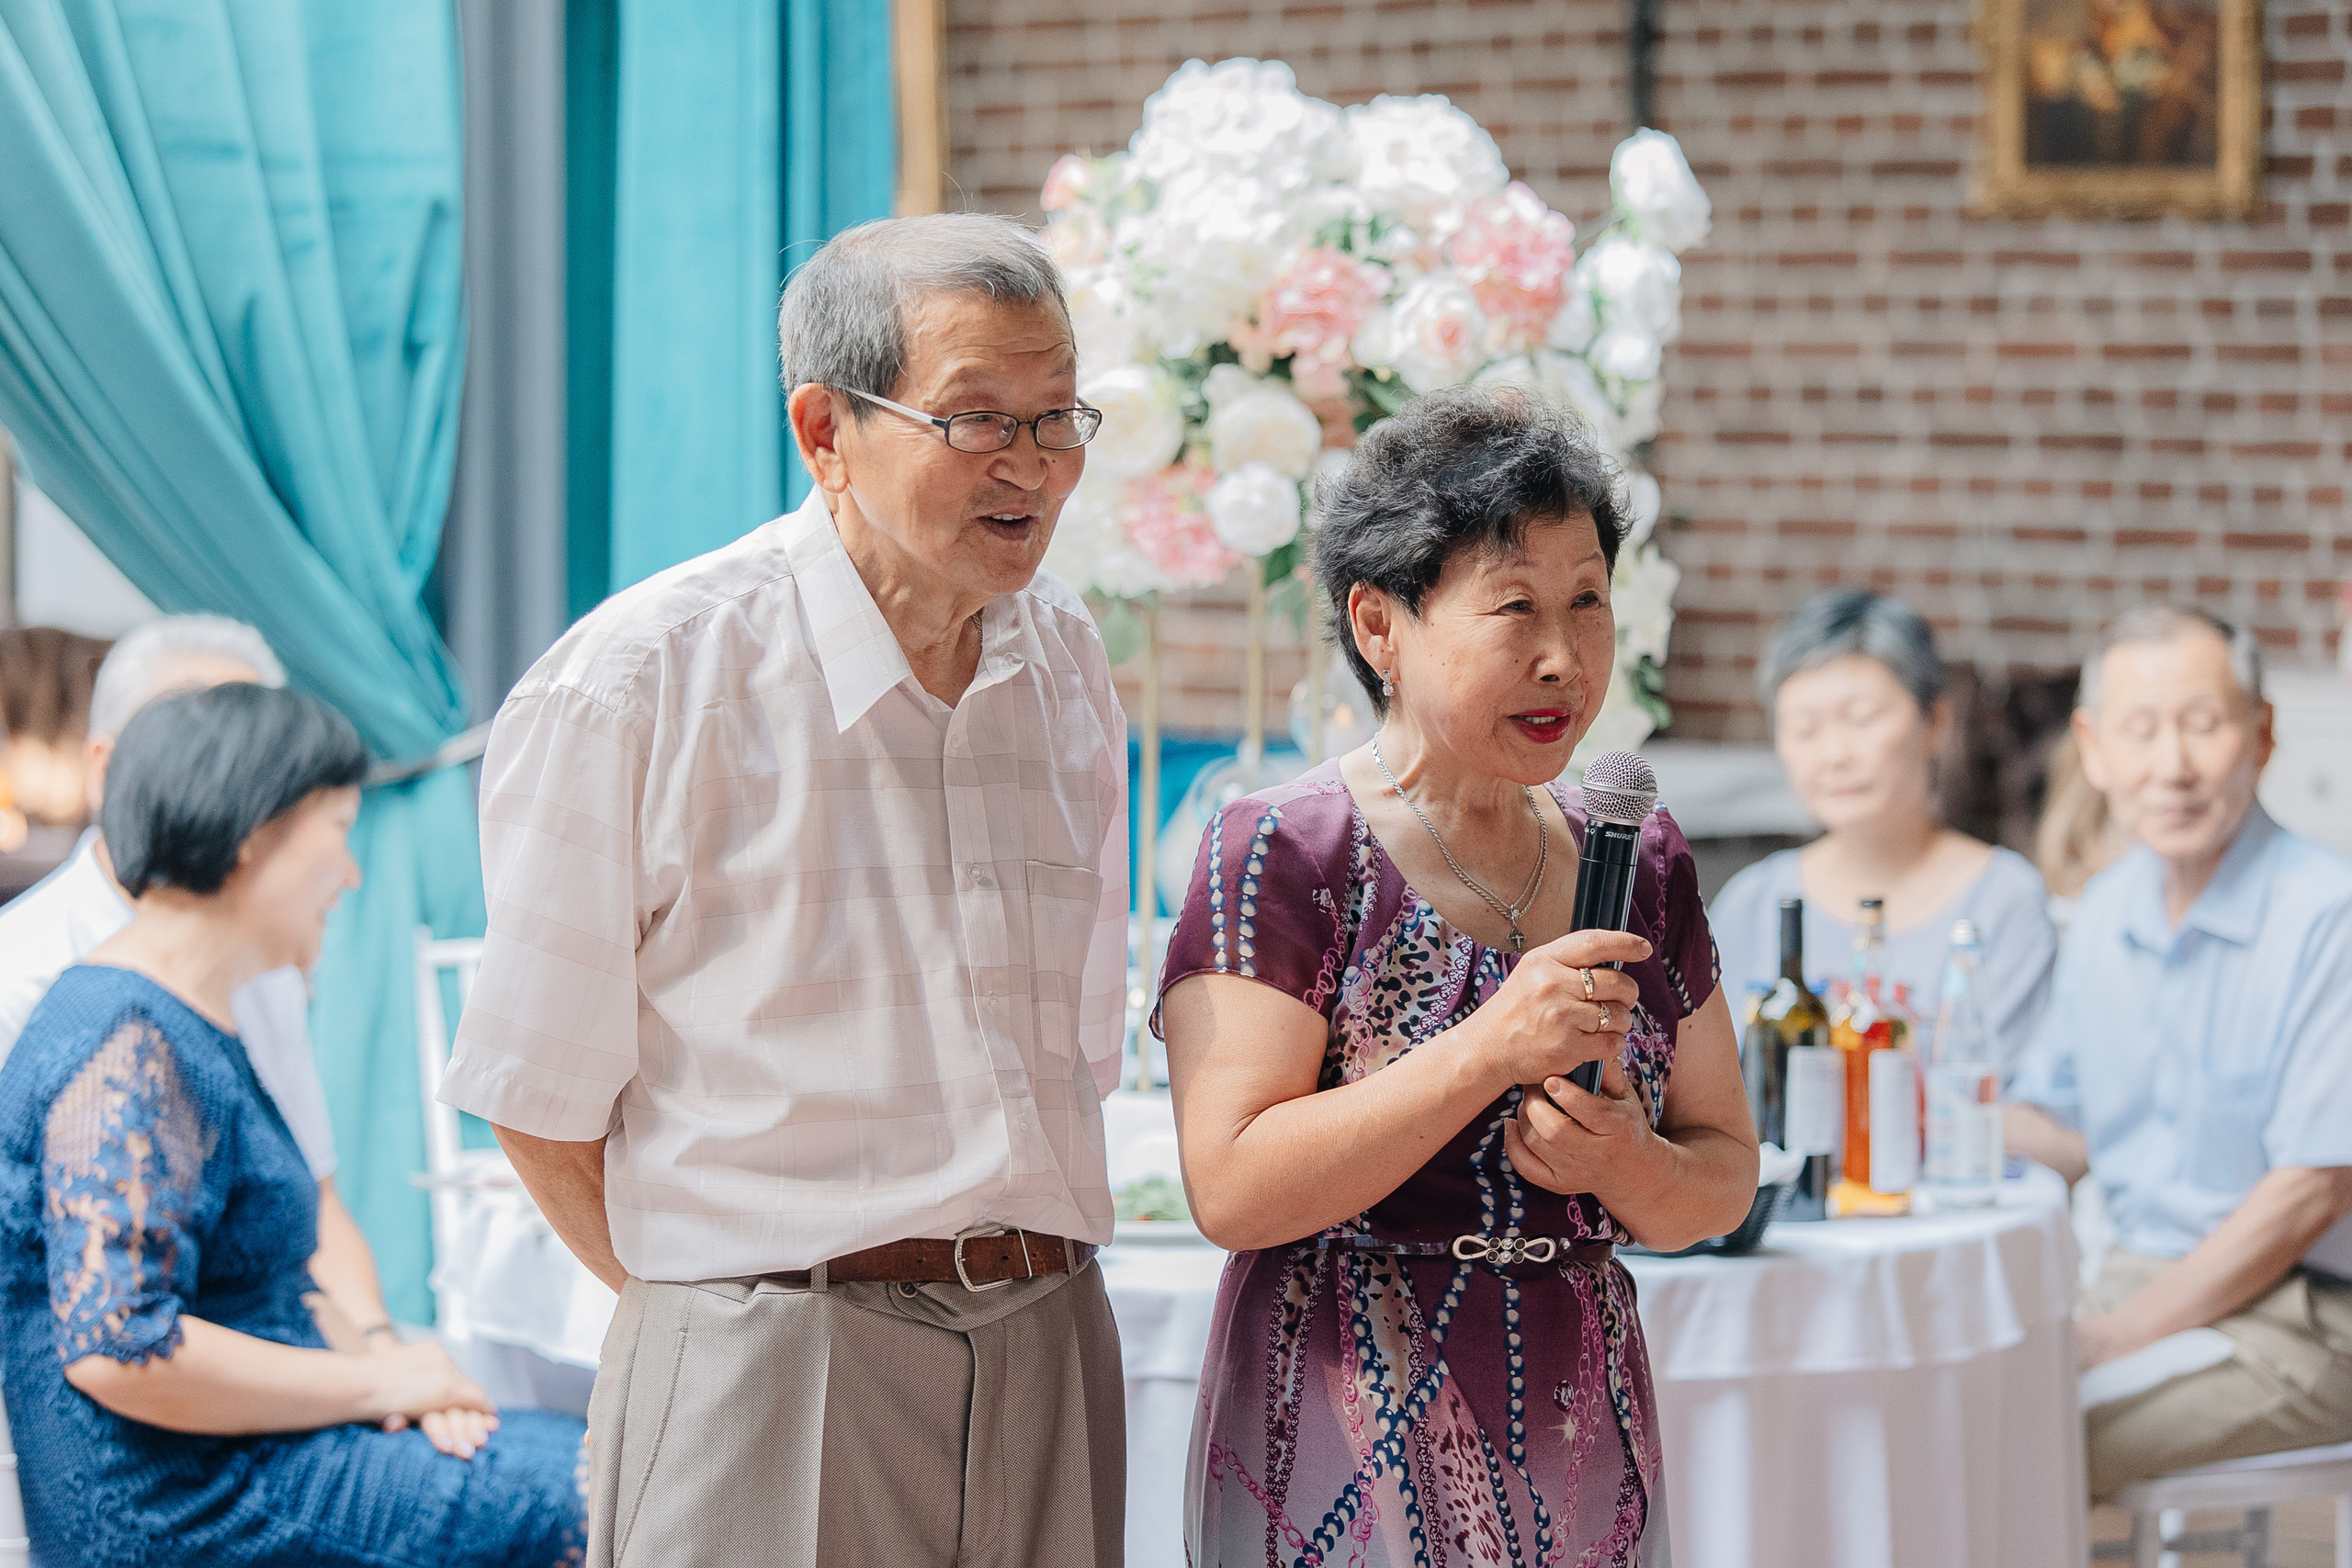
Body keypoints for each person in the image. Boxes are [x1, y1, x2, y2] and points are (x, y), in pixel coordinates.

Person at [437, 212, 1130, 1568]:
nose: (1036, 470)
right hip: (772, 1362)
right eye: (980, 420)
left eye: (1060, 419)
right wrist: (732, 1312)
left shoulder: (1065, 658)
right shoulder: (639, 681)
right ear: (825, 430)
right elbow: (537, 1103)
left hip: (1052, 1339)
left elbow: (1082, 1047)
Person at [1158, 387, 1758, 1567]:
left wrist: (1626, 1162)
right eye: (1515, 608)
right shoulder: (1283, 848)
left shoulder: (1637, 854)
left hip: (1580, 1429)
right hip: (1339, 1430)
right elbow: (1230, 1188)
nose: (1563, 657)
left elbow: (1723, 1175)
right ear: (1379, 626)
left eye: (1589, 603)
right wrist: (1490, 1045)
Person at [0, 684, 586, 1566]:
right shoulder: (125, 1039)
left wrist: (403, 1385)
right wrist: (384, 1379)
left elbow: (269, 1282)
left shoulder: (184, 1017)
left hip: (251, 1458)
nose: (351, 875)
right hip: (183, 1506)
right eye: (340, 831)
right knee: (599, 1484)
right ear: (254, 835)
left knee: (591, 1460)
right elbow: (117, 1344)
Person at [2006, 605, 2352, 1500]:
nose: (2173, 766)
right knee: (1947, 1406)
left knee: (2015, 1450)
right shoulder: (2106, 911)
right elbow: (2066, 1131)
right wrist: (1925, 1105)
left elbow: (2312, 1190)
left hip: (2306, 1317)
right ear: (2093, 746)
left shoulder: (2328, 917)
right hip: (2130, 1283)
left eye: (2203, 725)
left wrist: (2121, 1334)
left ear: (2262, 734)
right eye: (2140, 730)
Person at [0, 616, 393, 1350]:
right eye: (202, 745)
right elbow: (110, 1327)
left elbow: (318, 1204)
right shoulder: (25, 976)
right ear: (104, 768)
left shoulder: (264, 964)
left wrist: (380, 1347)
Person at [1711, 590, 2056, 1070]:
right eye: (1805, 728)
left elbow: (2009, 1110)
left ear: (1935, 722)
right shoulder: (1752, 905)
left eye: (1863, 719)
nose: (1835, 754)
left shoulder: (2003, 902)